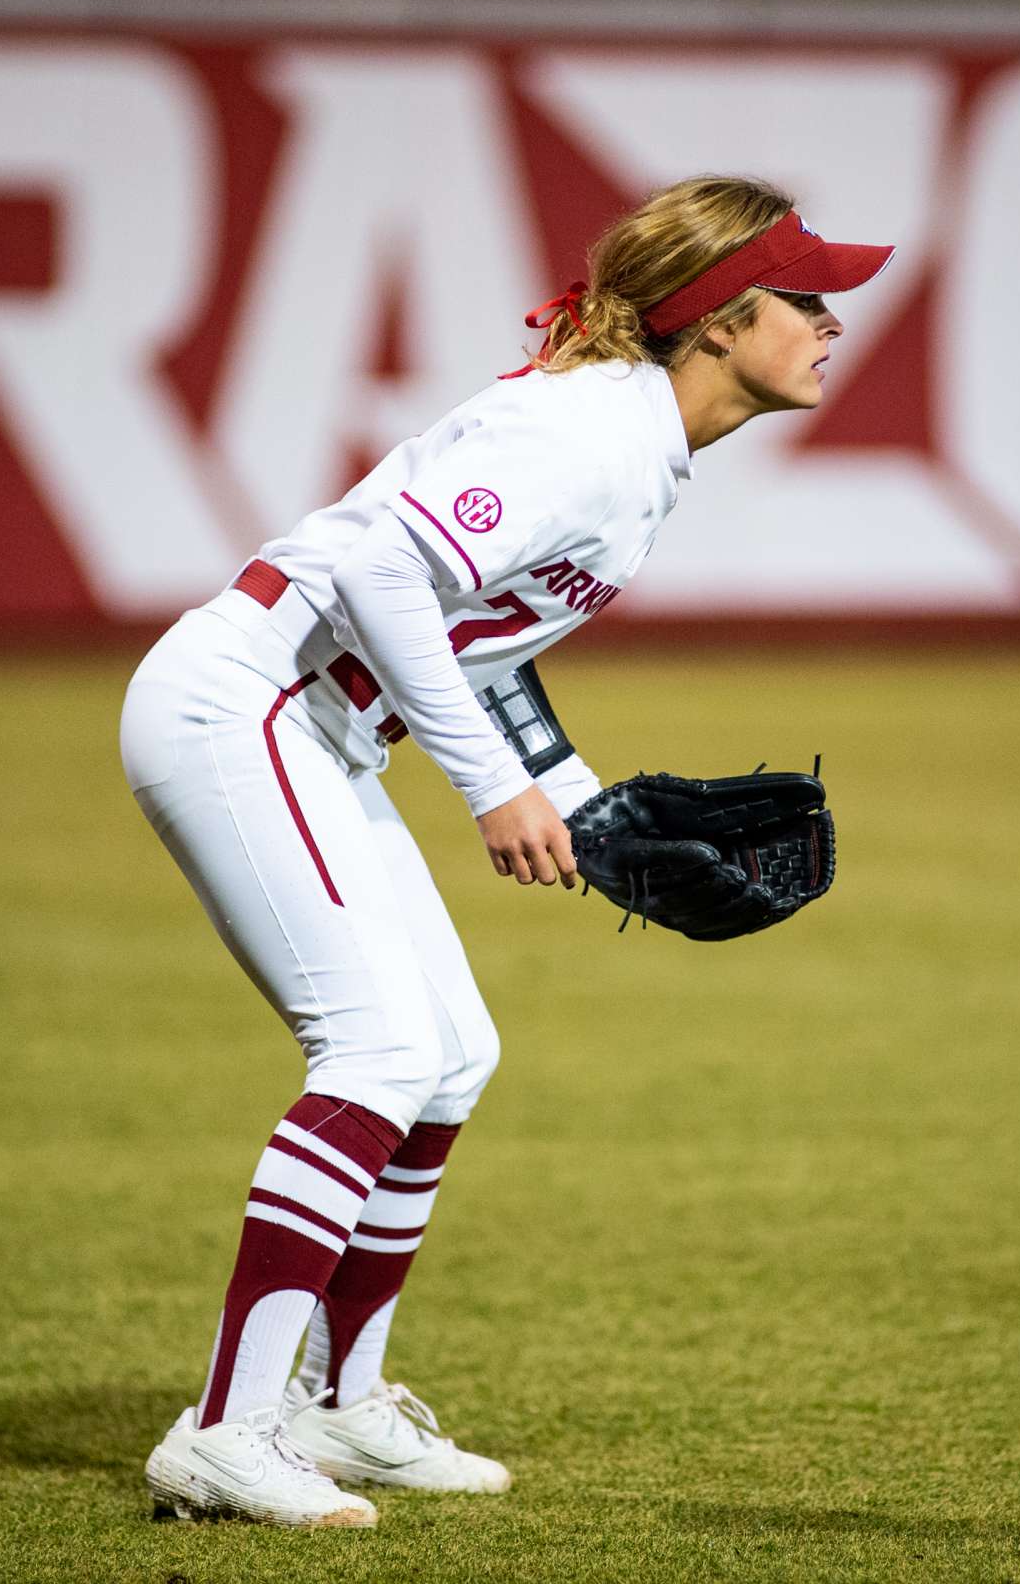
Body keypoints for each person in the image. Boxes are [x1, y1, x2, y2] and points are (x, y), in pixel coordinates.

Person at [121, 175, 893, 1529]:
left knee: (452, 1053)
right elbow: (378, 572)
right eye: (805, 297)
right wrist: (490, 791)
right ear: (717, 320)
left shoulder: (637, 446)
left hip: (308, 725)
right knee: (376, 1050)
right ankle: (231, 1428)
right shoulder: (593, 430)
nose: (833, 320)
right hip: (242, 705)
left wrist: (577, 801)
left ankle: (339, 1403)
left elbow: (486, 642)